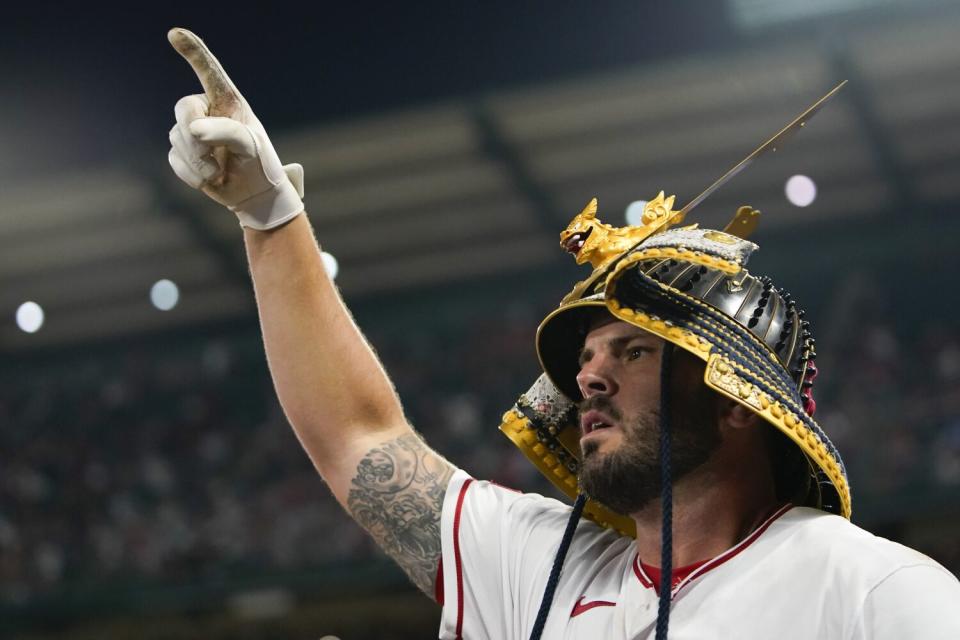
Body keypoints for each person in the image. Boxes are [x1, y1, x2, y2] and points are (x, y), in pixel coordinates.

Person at [166, 28, 960, 639]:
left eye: (635, 349)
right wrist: (270, 217)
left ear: (738, 400)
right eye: (586, 356)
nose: (588, 378)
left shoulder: (875, 593)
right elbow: (357, 437)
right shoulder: (540, 565)